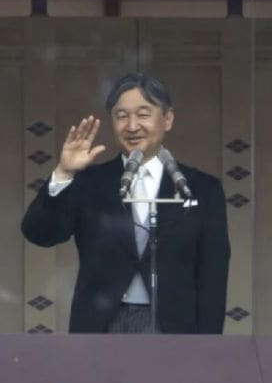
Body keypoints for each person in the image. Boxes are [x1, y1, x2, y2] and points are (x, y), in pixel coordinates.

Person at [22, 73, 230, 334]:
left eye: (143, 114)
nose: (132, 126)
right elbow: (39, 233)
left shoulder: (202, 188)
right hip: (101, 325)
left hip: (174, 327)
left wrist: (208, 347)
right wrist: (64, 173)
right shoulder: (90, 182)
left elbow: (213, 274)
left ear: (167, 119)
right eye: (122, 116)